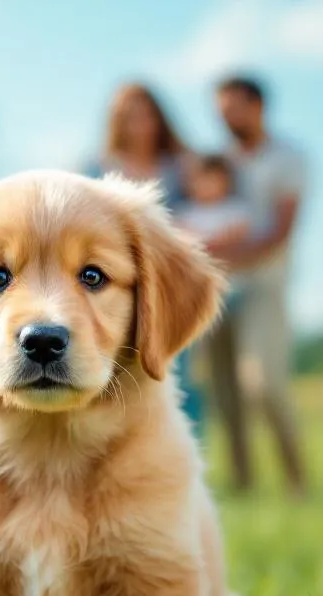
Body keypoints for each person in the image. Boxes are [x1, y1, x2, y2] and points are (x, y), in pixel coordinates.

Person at [207, 74, 309, 499]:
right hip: (218, 291)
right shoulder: (219, 162)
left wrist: (226, 256)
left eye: (232, 108)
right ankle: (243, 484)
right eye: (220, 110)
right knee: (225, 393)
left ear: (257, 106)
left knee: (262, 383)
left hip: (264, 286)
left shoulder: (288, 158)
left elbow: (281, 231)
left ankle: (296, 481)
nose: (225, 117)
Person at [84, 82, 205, 434]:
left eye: (144, 113)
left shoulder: (181, 166)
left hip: (170, 282)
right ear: (115, 121)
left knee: (183, 372)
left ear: (158, 118)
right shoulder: (96, 167)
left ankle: (189, 442)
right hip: (116, 287)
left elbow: (207, 206)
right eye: (127, 114)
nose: (137, 121)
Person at [175, 154, 251, 255]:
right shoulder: (184, 212)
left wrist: (214, 244)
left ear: (226, 182)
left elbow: (238, 233)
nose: (206, 186)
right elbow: (183, 235)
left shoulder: (236, 209)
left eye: (212, 180)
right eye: (200, 180)